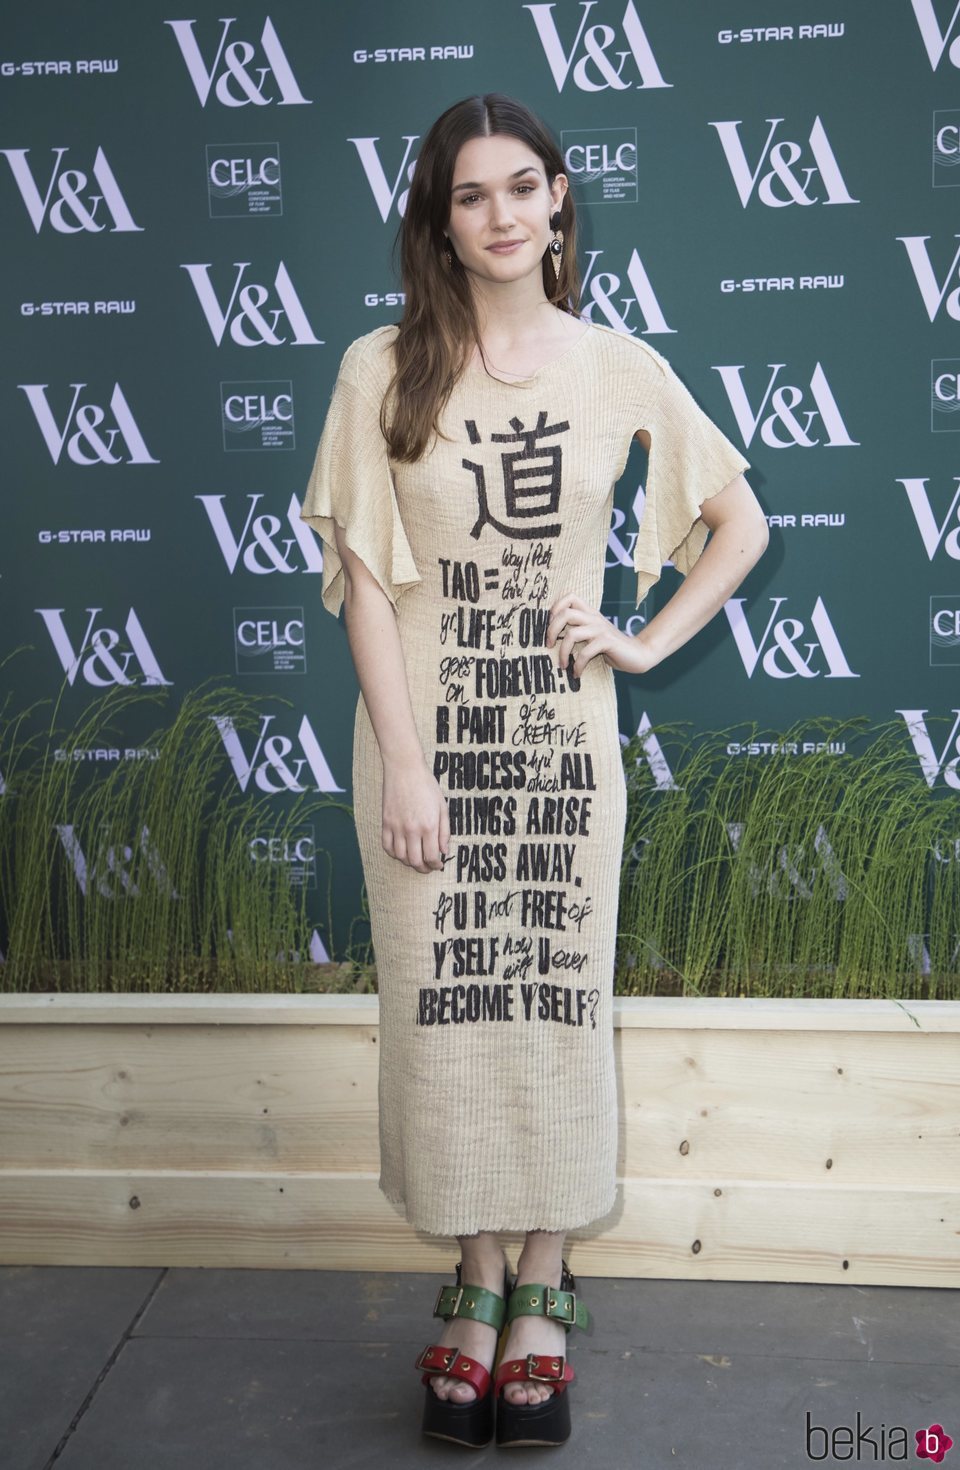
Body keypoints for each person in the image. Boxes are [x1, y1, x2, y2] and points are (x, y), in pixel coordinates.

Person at [301, 93, 769, 1449]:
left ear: (560, 199)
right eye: (470, 194)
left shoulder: (614, 364)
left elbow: (735, 521)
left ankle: (544, 1277)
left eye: (523, 186)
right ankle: (475, 1278)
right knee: (447, 1023)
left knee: (553, 1015)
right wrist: (405, 761)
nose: (501, 214)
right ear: (438, 220)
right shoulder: (378, 368)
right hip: (422, 751)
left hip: (561, 760)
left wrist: (639, 637)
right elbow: (368, 592)